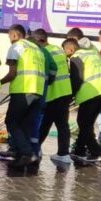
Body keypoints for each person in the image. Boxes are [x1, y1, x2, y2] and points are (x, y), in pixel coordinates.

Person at [0, 25, 47, 167]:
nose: (9, 40)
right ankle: (22, 154)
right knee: (25, 123)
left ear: (14, 35)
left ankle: (26, 153)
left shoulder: (16, 47)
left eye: (9, 36)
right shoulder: (36, 48)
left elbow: (12, 73)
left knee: (11, 122)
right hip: (37, 91)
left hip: (23, 89)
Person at [64, 38, 101, 163]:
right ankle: (79, 149)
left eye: (65, 51)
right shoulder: (92, 53)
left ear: (70, 49)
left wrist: (70, 96)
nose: (65, 55)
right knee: (87, 124)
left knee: (83, 123)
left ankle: (95, 151)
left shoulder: (77, 57)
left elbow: (76, 79)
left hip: (91, 93)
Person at [34, 30, 74, 165]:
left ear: (39, 40)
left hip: (52, 93)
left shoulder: (44, 52)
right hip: (65, 91)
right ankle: (63, 154)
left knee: (45, 123)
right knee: (61, 125)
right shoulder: (58, 49)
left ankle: (36, 149)